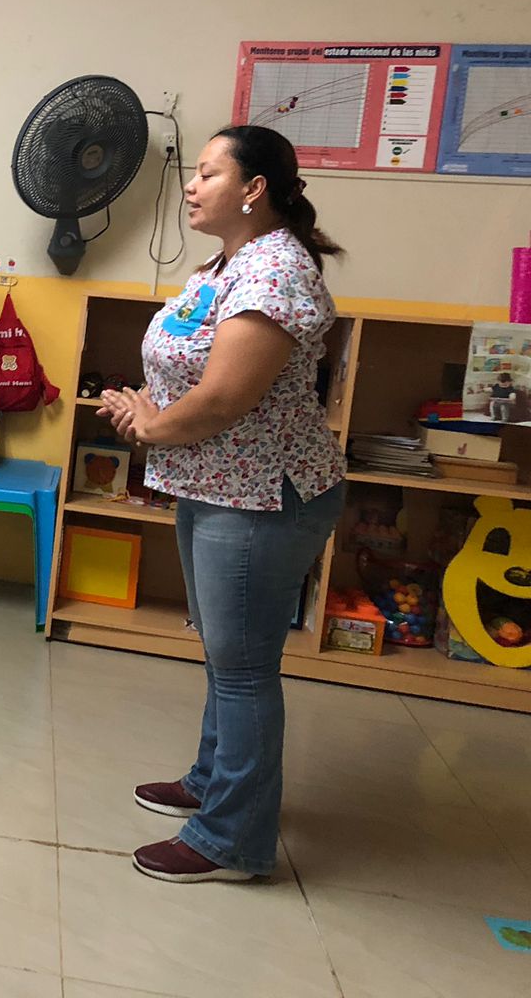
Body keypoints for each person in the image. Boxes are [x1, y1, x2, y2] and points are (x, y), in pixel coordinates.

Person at [99, 124, 346, 884]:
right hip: (213, 484)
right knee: (225, 654)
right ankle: (214, 782)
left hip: (261, 496)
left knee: (243, 670)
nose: (192, 185)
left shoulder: (275, 271)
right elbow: (192, 378)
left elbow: (223, 400)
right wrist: (148, 412)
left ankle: (230, 838)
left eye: (208, 173)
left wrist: (151, 426)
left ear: (254, 188)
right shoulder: (226, 263)